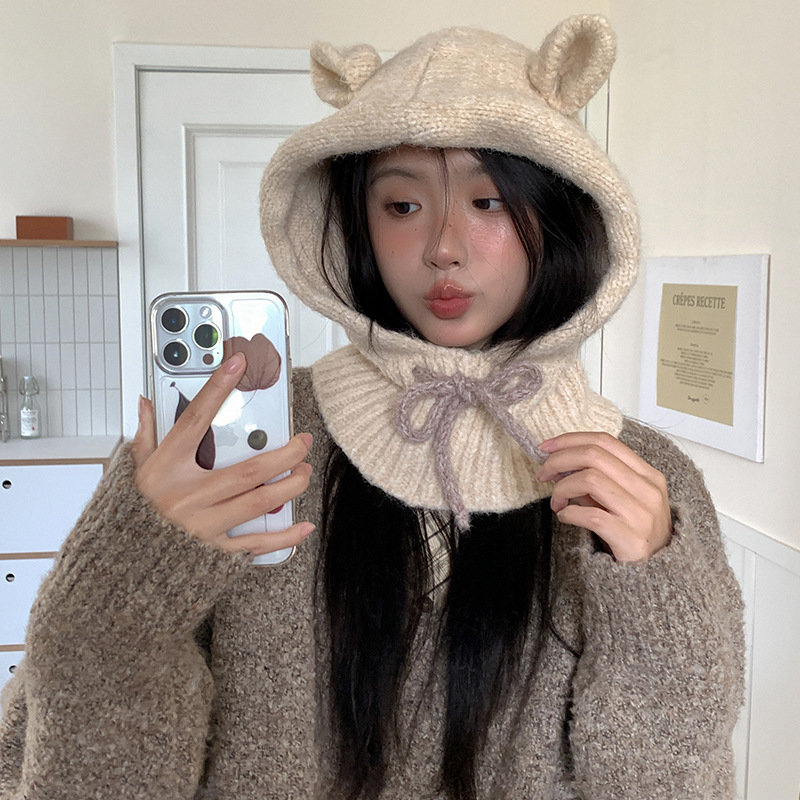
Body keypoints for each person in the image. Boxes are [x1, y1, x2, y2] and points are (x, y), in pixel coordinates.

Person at [0, 15, 744, 800]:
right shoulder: (242, 441)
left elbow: (667, 782)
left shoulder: (644, 479)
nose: (443, 246)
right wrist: (129, 582)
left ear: (561, 218)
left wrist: (654, 597)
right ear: (352, 225)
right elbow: (79, 773)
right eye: (401, 206)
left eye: (488, 201)